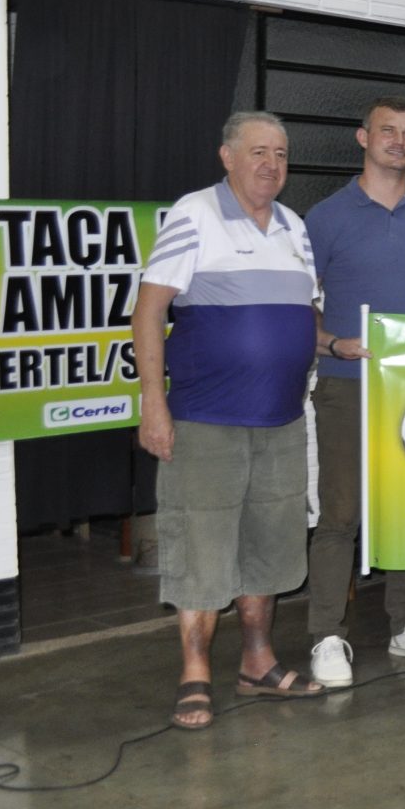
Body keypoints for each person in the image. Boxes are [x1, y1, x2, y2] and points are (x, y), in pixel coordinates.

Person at [133, 112, 325, 729]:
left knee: (270, 547)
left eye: (281, 154)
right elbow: (148, 310)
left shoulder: (295, 226)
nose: (271, 164)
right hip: (206, 419)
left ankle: (257, 664)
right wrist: (153, 403)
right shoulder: (194, 213)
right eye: (258, 151)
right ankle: (194, 674)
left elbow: (298, 314)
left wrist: (330, 343)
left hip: (281, 421)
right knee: (202, 546)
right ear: (227, 156)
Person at [303, 98, 405, 687]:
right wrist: (332, 343)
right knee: (340, 512)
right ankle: (326, 635)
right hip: (346, 385)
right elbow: (299, 303)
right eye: (387, 131)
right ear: (363, 137)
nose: (399, 141)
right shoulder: (325, 216)